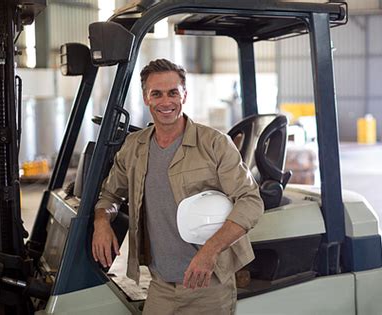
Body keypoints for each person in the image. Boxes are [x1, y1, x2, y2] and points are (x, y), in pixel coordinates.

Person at [92, 58, 264, 314]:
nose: (165, 102)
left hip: (209, 284)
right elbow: (110, 194)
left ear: (184, 94)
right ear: (146, 98)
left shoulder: (214, 144)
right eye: (157, 94)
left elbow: (251, 201)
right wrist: (102, 221)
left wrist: (209, 252)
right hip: (160, 285)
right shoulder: (134, 147)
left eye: (173, 93)